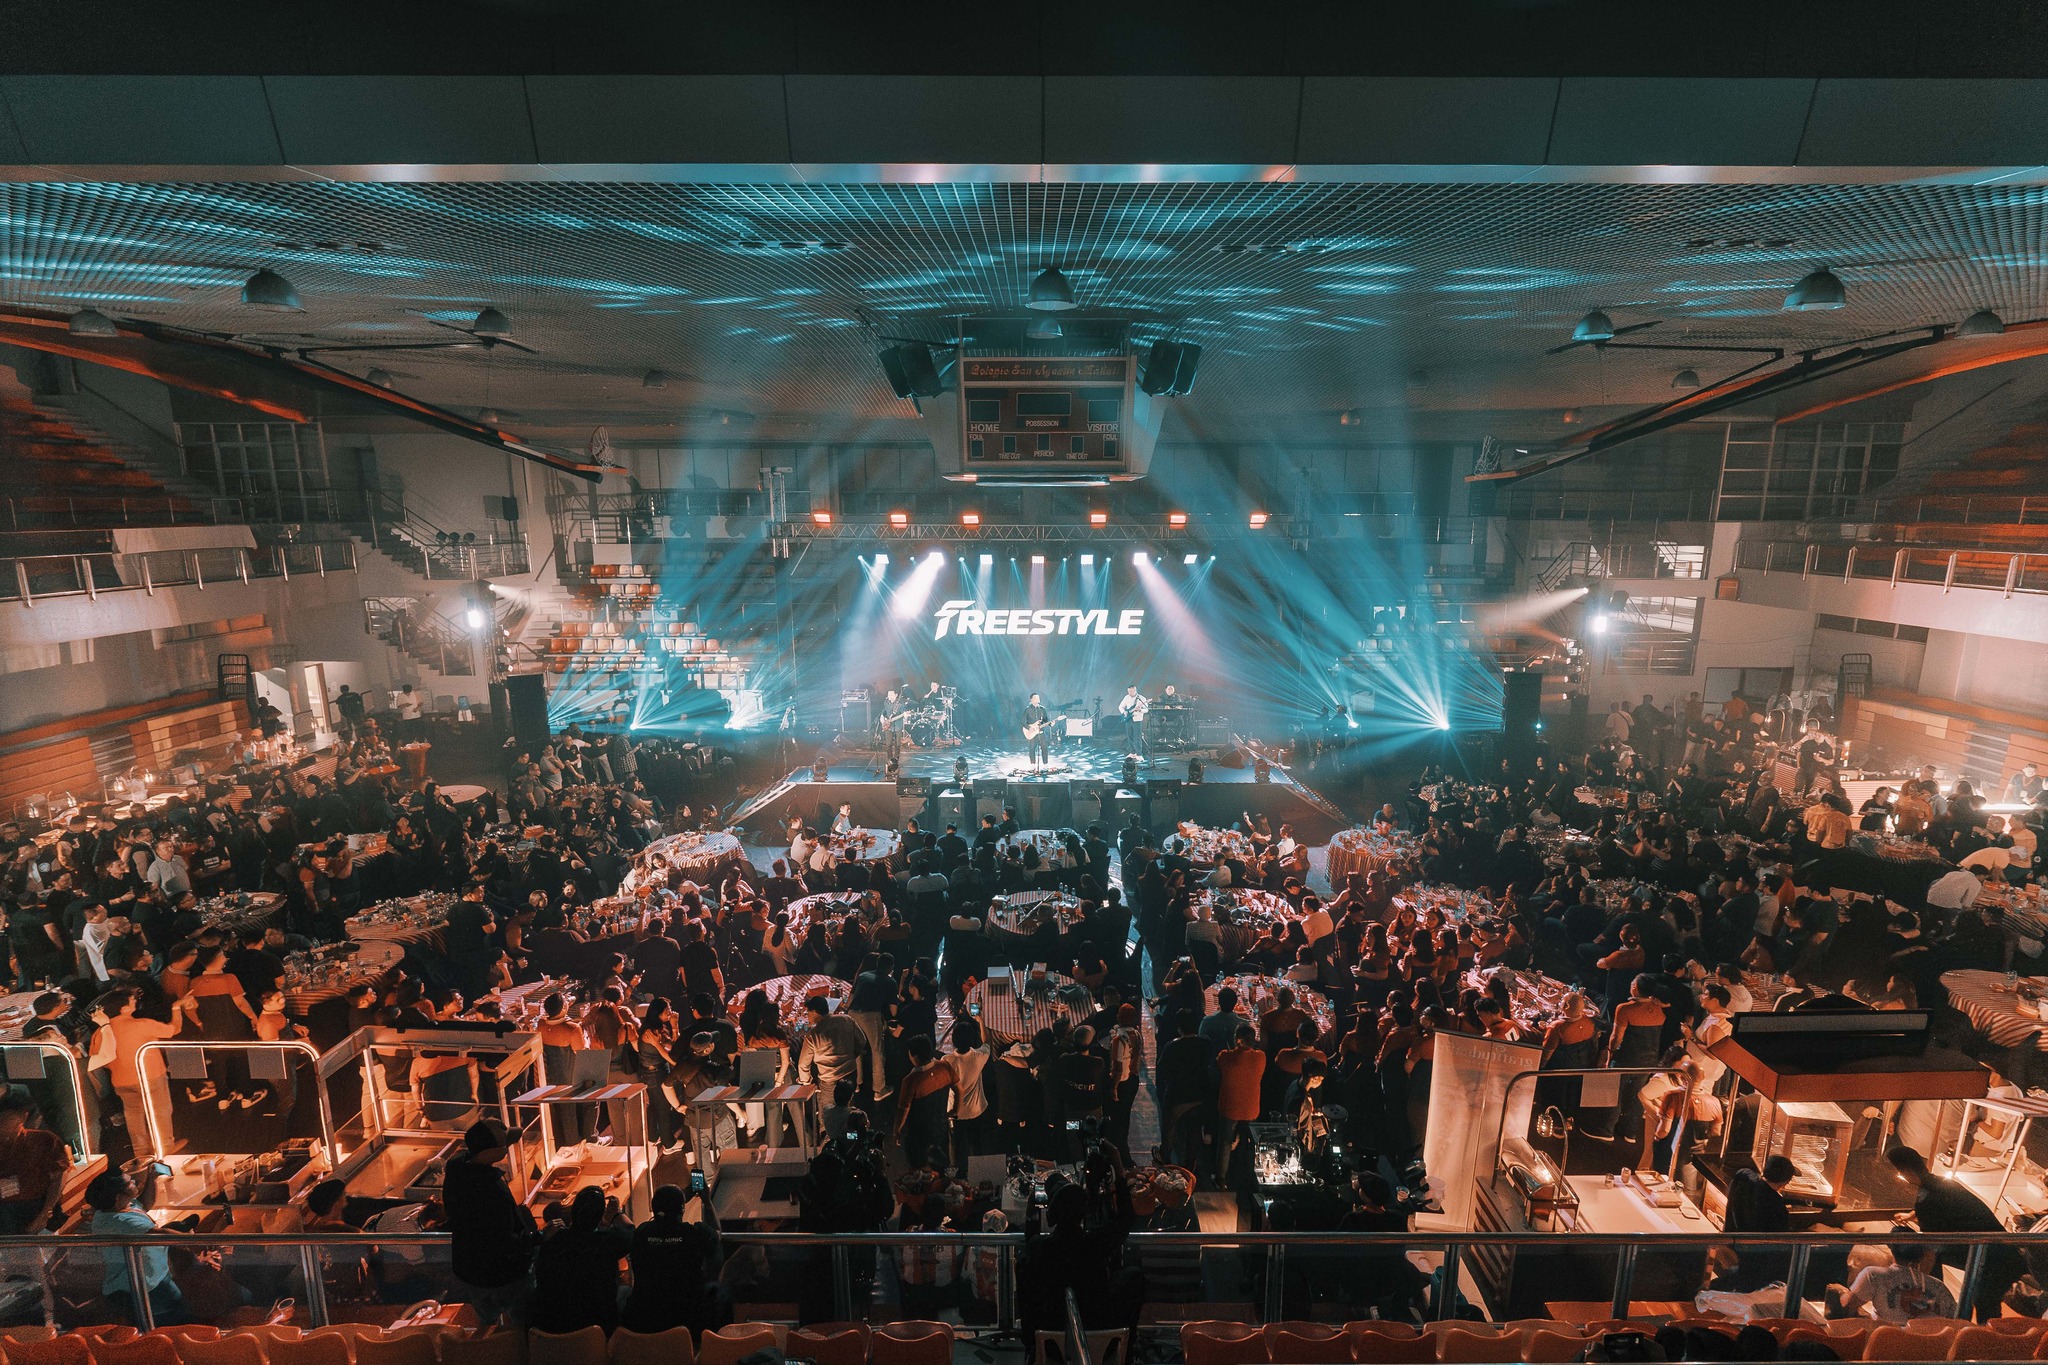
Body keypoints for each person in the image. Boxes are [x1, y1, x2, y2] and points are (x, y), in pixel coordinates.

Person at [1887, 1143, 2026, 1321]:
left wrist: (1923, 1286)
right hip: (2001, 1248)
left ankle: (1974, 1329)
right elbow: (1948, 1210)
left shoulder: (1927, 1200)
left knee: (1984, 1302)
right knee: (1984, 1300)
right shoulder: (1943, 1184)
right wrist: (1912, 1216)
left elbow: (1931, 1249)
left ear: (1907, 1172)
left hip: (1994, 1258)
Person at [443, 1118, 540, 1327]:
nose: (508, 1147)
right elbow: (505, 1241)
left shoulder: (456, 1170)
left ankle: (491, 1343)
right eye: (504, 1145)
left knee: (487, 1325)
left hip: (471, 1273)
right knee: (523, 1323)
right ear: (488, 1152)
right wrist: (536, 1238)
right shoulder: (491, 1191)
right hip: (503, 1276)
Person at [623, 1182, 729, 1335]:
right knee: (721, 1290)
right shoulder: (694, 1233)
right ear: (682, 1209)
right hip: (687, 1318)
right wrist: (707, 1201)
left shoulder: (642, 1233)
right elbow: (717, 1233)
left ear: (653, 1208)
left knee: (624, 1291)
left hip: (646, 1318)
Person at [86, 1168, 187, 1326]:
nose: (135, 1182)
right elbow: (162, 1234)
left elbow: (144, 1204)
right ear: (118, 1196)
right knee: (174, 1320)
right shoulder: (119, 1222)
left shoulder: (119, 1206)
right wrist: (196, 1243)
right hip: (140, 1287)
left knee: (177, 1314)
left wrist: (152, 1178)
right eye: (130, 1183)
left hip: (151, 1277)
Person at [531, 1185, 634, 1334]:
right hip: (599, 1327)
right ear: (600, 1218)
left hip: (556, 1327)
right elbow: (631, 1232)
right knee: (625, 1291)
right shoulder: (607, 1241)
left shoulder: (553, 1240)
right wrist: (616, 1214)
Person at [1826, 1242, 1957, 1322]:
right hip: (1930, 1349)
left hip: (1888, 1345)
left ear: (1892, 1249)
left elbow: (1847, 1307)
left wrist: (1840, 1292)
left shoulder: (1873, 1274)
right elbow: (1958, 1321)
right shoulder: (1939, 1286)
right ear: (1922, 1256)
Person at [0, 1087, 69, 1234]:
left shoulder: (44, 1140)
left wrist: (45, 1213)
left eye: (7, 1118)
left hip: (38, 1210)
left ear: (23, 1117)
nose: (2, 1123)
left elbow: (59, 1177)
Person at [1022, 693, 1052, 770]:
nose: (1037, 699)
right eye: (1035, 698)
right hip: (1032, 733)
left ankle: (1045, 765)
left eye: (1038, 698)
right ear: (1031, 700)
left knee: (1044, 747)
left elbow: (1046, 721)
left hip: (1041, 732)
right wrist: (1029, 727)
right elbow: (1022, 721)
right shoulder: (1028, 709)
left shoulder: (1042, 709)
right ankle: (1032, 765)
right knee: (1032, 748)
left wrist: (1050, 724)